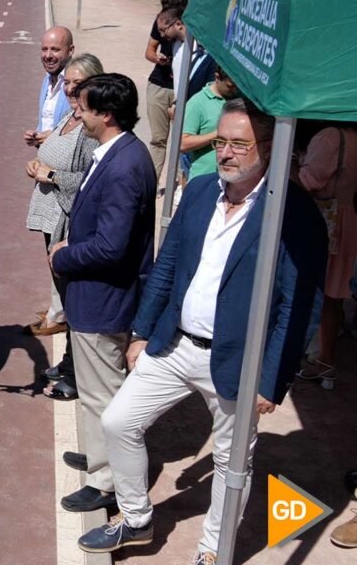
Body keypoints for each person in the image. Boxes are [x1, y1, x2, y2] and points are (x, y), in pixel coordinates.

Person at [78, 100, 327, 564]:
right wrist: (141, 332)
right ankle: (136, 520)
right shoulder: (198, 191)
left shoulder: (293, 213)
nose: (227, 153)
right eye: (220, 142)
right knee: (118, 421)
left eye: (239, 144)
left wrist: (272, 379)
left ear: (269, 149)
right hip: (174, 344)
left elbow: (300, 303)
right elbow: (167, 265)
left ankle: (213, 551)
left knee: (231, 464)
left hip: (238, 359)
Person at [48, 73, 156, 513]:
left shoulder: (124, 166)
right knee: (96, 392)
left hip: (102, 299)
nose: (78, 112)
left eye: (85, 107)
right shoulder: (119, 152)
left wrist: (64, 256)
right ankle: (98, 457)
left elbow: (111, 247)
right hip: (95, 297)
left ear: (106, 115)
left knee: (102, 395)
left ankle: (107, 482)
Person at [24, 53, 104, 400]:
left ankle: (75, 374)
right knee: (65, 294)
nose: (70, 89)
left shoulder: (88, 130)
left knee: (74, 299)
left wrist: (50, 174)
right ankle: (70, 361)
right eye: (68, 83)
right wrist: (39, 160)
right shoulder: (72, 117)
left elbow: (90, 180)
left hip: (69, 221)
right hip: (51, 217)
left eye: (78, 84)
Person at [296, 122, 357, 388]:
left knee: (310, 290)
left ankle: (318, 358)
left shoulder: (330, 137)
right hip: (347, 219)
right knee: (334, 295)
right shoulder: (353, 138)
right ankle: (325, 361)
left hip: (325, 220)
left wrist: (290, 166)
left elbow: (309, 180)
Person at [144, 0, 186, 179]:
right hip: (159, 86)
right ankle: (151, 183)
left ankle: (178, 185)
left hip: (183, 92)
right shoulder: (162, 23)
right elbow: (149, 51)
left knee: (182, 141)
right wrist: (158, 59)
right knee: (158, 140)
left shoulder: (192, 31)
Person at [180, 65, 238, 181]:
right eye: (230, 86)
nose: (234, 90)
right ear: (217, 77)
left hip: (231, 180)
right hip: (203, 178)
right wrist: (218, 134)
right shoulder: (197, 103)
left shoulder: (236, 98)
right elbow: (183, 143)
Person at [25, 26, 74, 148]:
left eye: (55, 49)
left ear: (70, 50)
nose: (48, 55)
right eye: (44, 49)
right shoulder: (47, 80)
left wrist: (55, 138)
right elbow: (46, 122)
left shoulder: (78, 84)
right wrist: (37, 136)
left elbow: (88, 131)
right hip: (45, 161)